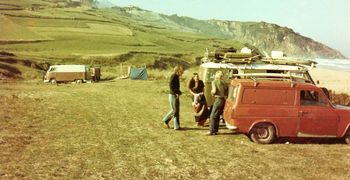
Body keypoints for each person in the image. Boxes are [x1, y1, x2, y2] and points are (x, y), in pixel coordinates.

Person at [162, 65, 184, 130]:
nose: (183, 72)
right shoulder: (174, 76)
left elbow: (175, 87)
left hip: (175, 95)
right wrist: (176, 92)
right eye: (181, 71)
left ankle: (176, 126)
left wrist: (178, 92)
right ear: (178, 70)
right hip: (173, 95)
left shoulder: (177, 76)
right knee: (174, 110)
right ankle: (165, 120)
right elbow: (171, 86)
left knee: (176, 111)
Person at [207, 70, 227, 135]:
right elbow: (226, 92)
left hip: (218, 99)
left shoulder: (214, 82)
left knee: (212, 116)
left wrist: (211, 92)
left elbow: (214, 91)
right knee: (217, 115)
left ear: (216, 75)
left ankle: (211, 131)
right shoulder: (224, 82)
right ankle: (215, 130)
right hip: (223, 100)